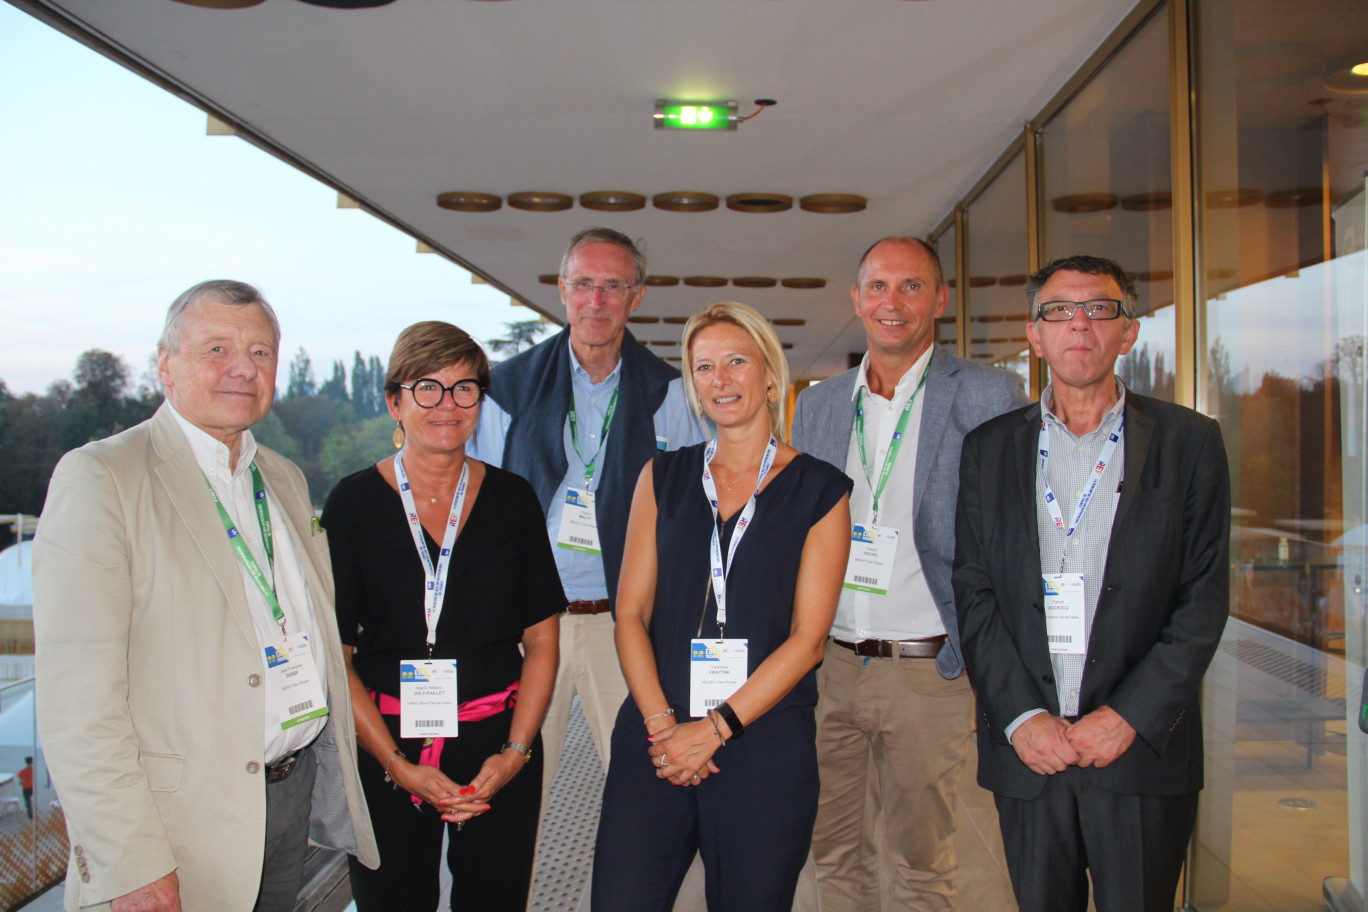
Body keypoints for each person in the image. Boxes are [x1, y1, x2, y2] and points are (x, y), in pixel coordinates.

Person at [32, 279, 377, 912]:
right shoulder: (104, 477)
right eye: (216, 348)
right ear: (165, 364)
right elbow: (77, 704)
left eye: (261, 352)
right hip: (175, 829)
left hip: (284, 803)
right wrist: (130, 863)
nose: (242, 368)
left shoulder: (283, 478)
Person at [954, 255, 1230, 912]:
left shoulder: (1189, 442)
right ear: (1035, 334)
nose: (1079, 324)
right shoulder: (988, 449)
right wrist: (1021, 718)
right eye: (1059, 311)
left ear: (1128, 332)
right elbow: (975, 592)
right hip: (1031, 750)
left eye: (1098, 309)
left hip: (1138, 750)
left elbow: (1204, 597)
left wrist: (1128, 716)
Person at [790, 236, 1027, 910]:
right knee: (833, 853)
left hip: (926, 672)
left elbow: (1011, 530)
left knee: (921, 862)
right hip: (829, 666)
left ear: (941, 299)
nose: (892, 303)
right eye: (878, 287)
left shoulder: (987, 393)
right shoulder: (822, 404)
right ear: (856, 299)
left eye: (911, 286)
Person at [592, 302, 852, 912]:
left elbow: (808, 640)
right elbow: (628, 614)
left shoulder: (821, 490)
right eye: (703, 367)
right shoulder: (661, 477)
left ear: (769, 374)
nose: (720, 380)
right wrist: (663, 728)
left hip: (760, 739)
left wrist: (713, 731)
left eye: (736, 361)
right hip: (656, 735)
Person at [323, 321, 564, 911]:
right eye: (426, 387)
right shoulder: (352, 504)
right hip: (387, 746)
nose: (447, 404)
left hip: (494, 747)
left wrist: (515, 753)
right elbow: (337, 656)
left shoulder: (514, 499)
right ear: (394, 402)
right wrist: (396, 765)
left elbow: (543, 642)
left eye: (465, 389)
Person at [468, 227, 707, 812]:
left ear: (637, 296)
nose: (596, 301)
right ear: (561, 289)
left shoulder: (670, 394)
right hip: (529, 627)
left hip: (622, 625)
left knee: (645, 790)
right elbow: (475, 508)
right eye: (583, 285)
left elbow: (692, 516)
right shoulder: (506, 389)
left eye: (612, 286)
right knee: (511, 794)